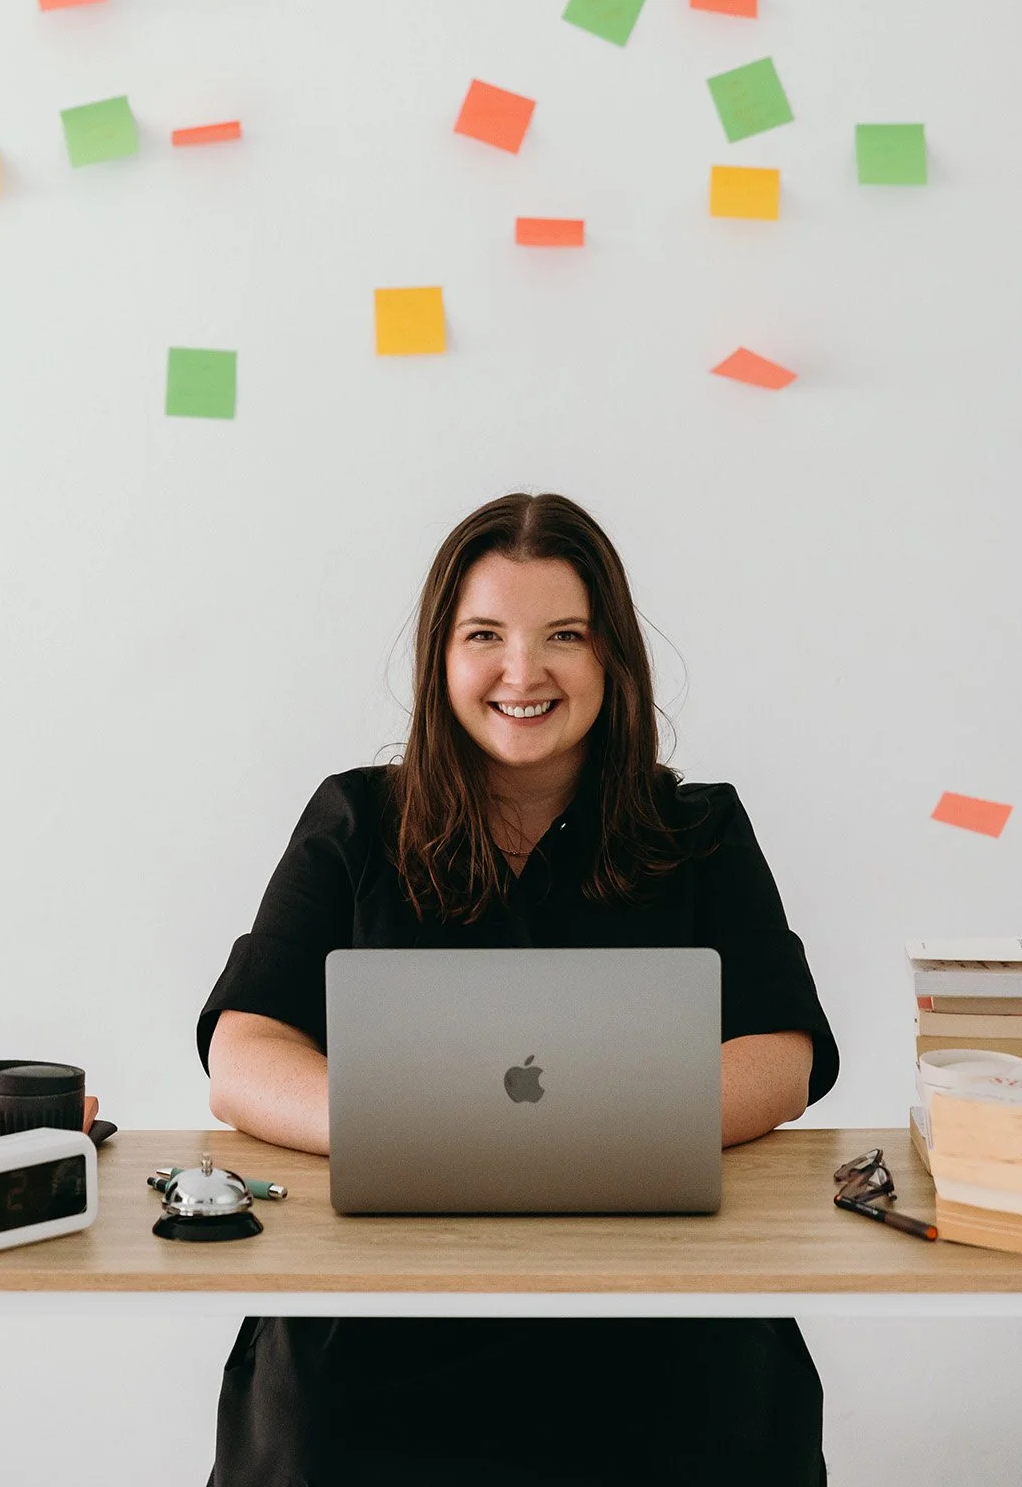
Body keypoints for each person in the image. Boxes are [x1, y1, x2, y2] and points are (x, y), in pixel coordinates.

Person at [197, 491, 839, 1486]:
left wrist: (600, 1132)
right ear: (440, 659)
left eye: (564, 635)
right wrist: (413, 1128)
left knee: (729, 1406)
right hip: (381, 1324)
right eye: (484, 634)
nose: (523, 671)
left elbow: (779, 1051)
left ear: (611, 657)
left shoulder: (699, 828)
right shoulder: (356, 817)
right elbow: (244, 1052)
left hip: (656, 1318)